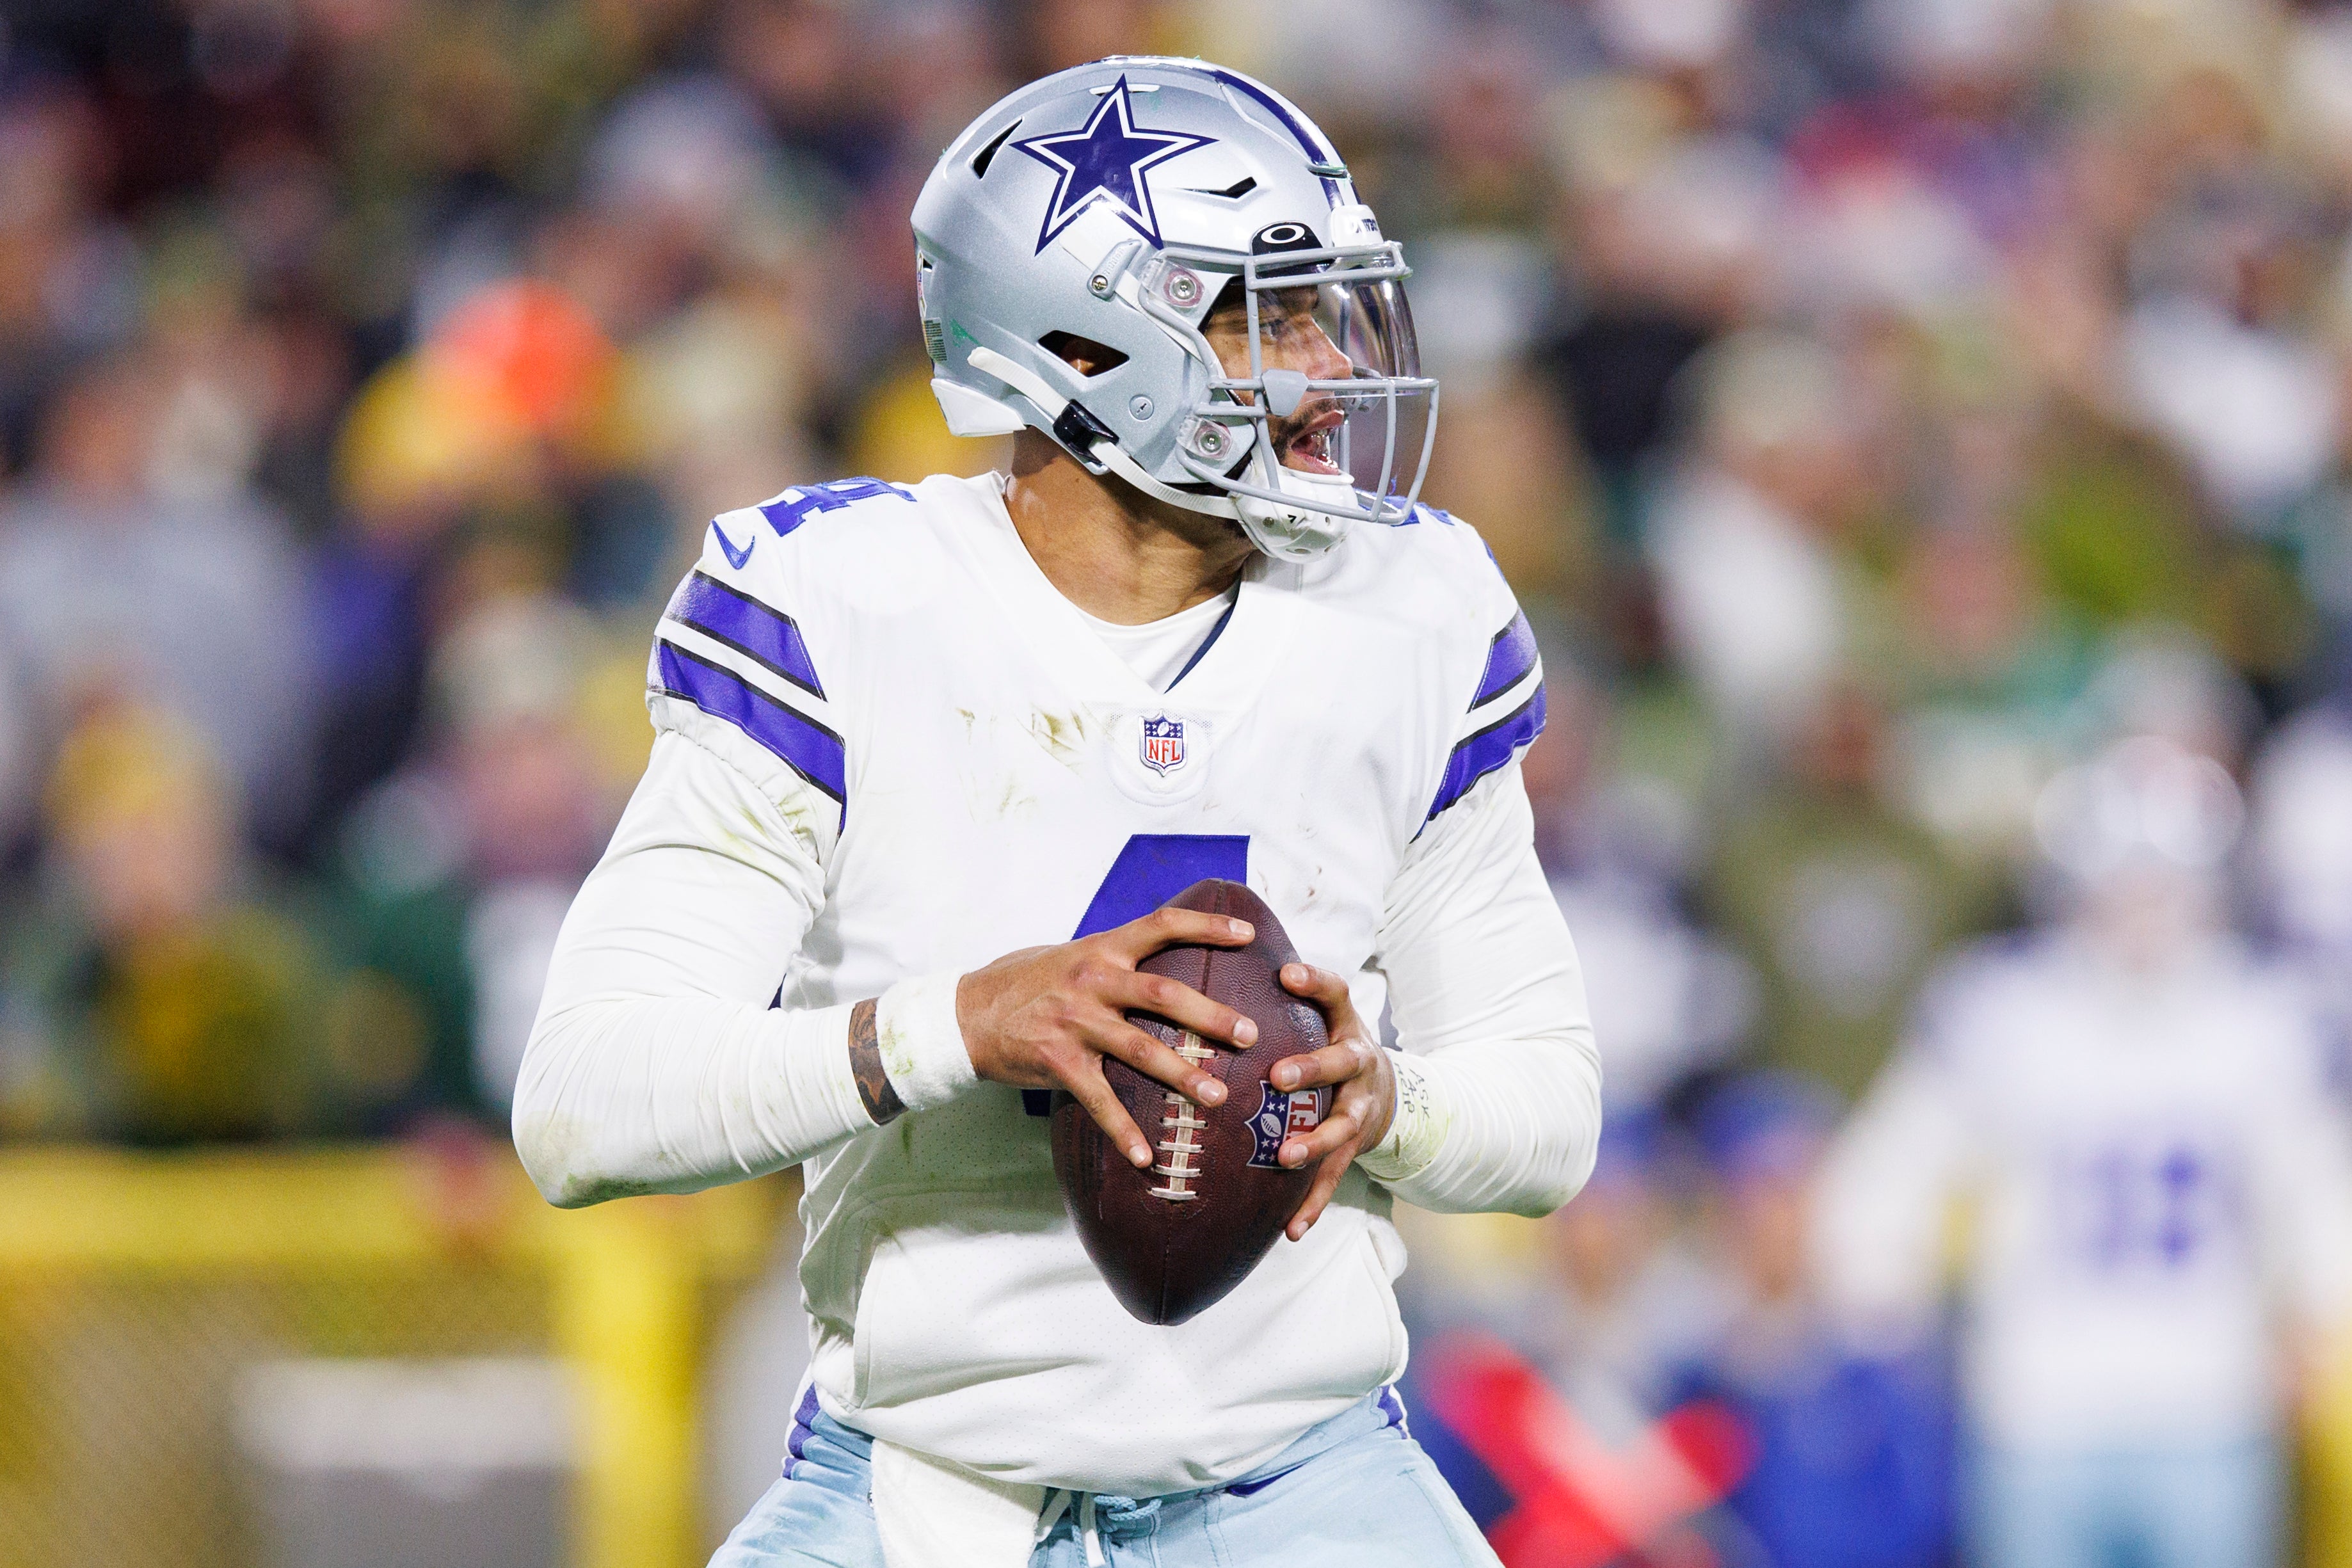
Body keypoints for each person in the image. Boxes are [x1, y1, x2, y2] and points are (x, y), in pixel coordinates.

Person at [510, 59, 1602, 1568]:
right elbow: (583, 1105)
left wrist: (1384, 1100)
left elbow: (1547, 1114)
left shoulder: (1409, 607)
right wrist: (954, 1023)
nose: (1328, 367)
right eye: (1261, 312)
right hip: (925, 1487)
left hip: (1299, 1480)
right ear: (1085, 337)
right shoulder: (837, 602)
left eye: (1323, 310)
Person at [1813, 735, 2352, 1568]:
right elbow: (1886, 1175)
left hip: (2204, 1399)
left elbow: (2316, 1192)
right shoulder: (2006, 1009)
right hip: (2043, 1405)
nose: (2142, 909)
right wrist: (1885, 1310)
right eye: (2122, 887)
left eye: (2163, 888)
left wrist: (2315, 1317)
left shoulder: (2256, 1019)